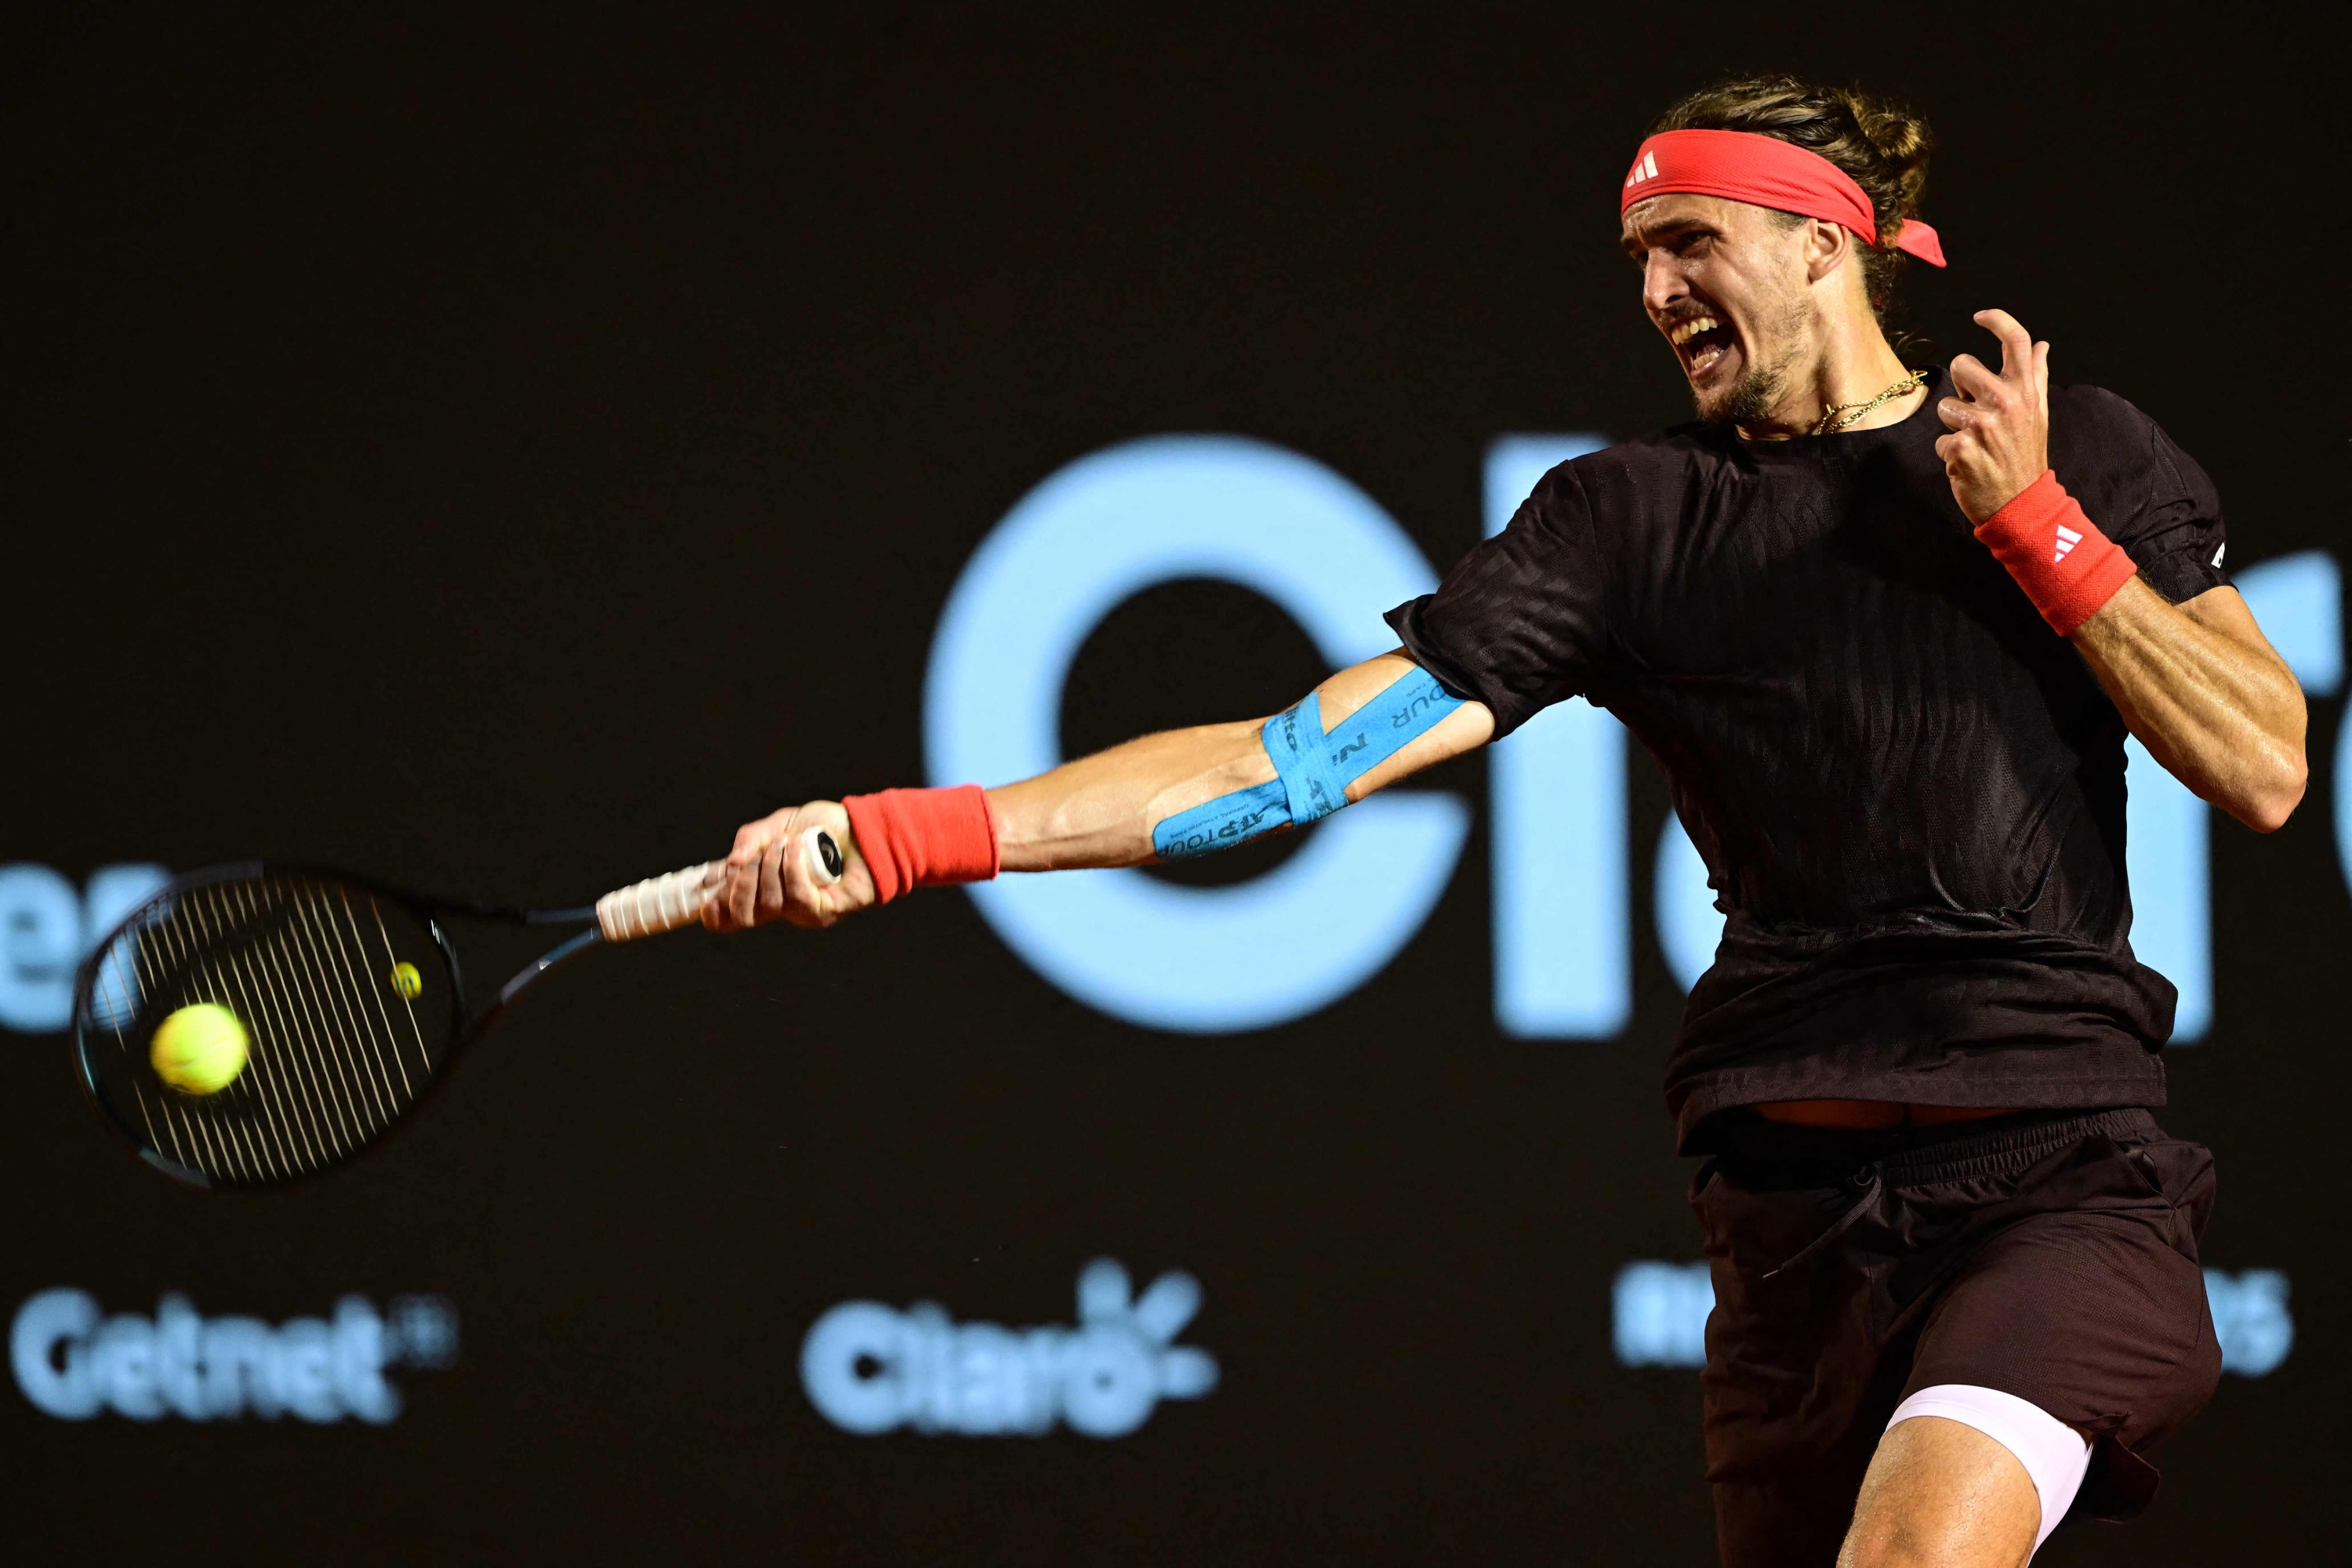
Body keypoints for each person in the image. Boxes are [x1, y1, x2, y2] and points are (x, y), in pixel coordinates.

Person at [702, 75, 2307, 1568]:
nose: (1656, 291)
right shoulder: (1628, 525)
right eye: (1637, 256)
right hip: (1789, 1242)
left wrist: (2038, 526)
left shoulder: (2072, 448)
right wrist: (915, 834)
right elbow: (1291, 764)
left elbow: (2261, 764)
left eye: (1693, 242)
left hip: (2055, 1193)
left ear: (1827, 241)